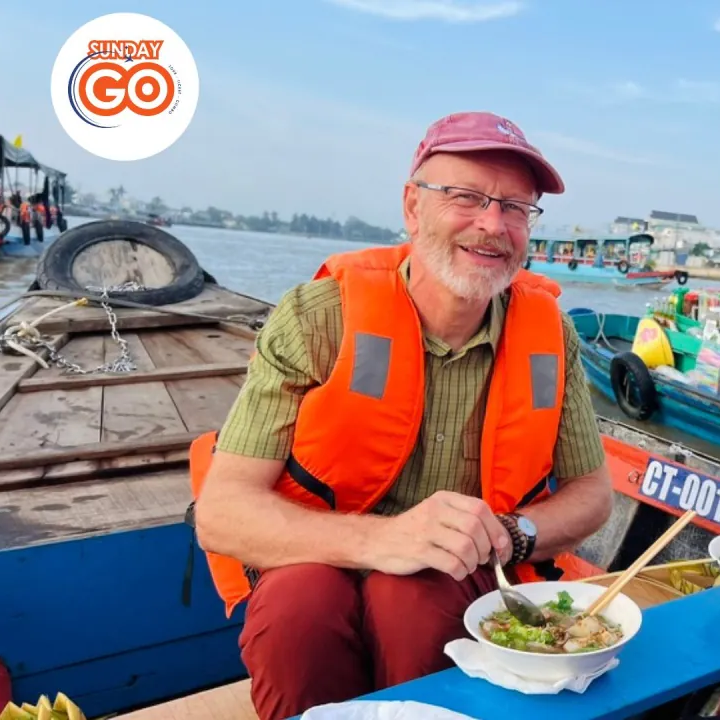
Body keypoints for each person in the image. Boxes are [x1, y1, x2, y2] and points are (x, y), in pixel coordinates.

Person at [188, 111, 614, 720]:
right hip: (318, 550)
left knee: (411, 604)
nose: (493, 225)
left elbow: (593, 494)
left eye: (516, 207)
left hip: (457, 573)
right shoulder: (320, 317)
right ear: (413, 207)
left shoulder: (550, 336)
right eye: (466, 197)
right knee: (297, 610)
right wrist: (382, 540)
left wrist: (512, 533)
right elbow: (224, 513)